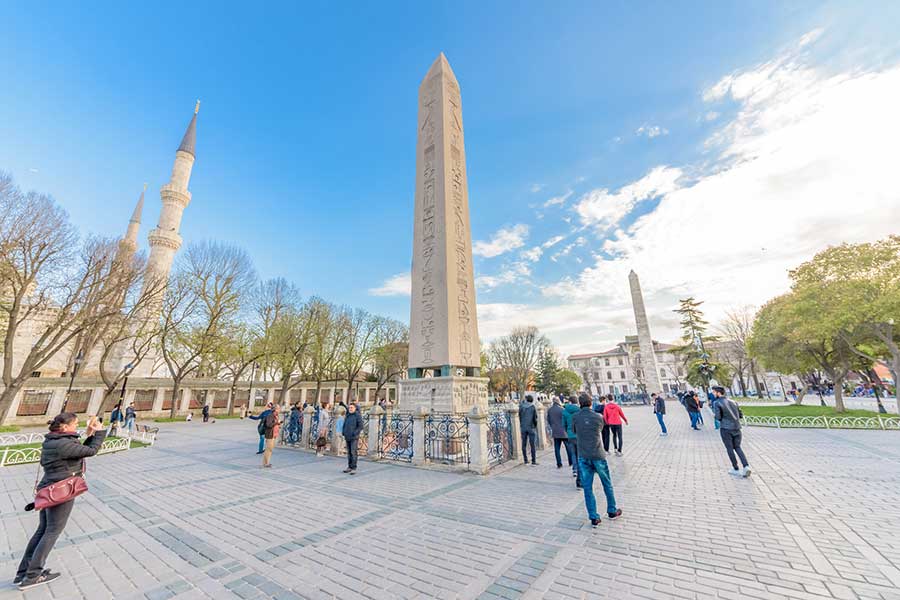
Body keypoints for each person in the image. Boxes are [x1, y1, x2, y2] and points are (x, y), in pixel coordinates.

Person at [16, 413, 106, 589]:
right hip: (60, 490)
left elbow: (78, 453)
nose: (76, 427)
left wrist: (89, 434)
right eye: (74, 424)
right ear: (64, 427)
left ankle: (24, 572)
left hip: (51, 487)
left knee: (43, 530)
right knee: (52, 531)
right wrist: (100, 432)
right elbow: (91, 451)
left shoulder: (55, 440)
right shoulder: (62, 444)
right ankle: (33, 575)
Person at [572, 394, 622, 528]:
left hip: (583, 455)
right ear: (590, 403)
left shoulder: (575, 417)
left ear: (579, 404)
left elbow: (574, 431)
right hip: (598, 454)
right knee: (607, 484)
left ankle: (594, 517)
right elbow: (600, 429)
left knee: (588, 488)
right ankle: (612, 510)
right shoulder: (598, 417)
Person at [713, 386, 751, 477]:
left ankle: (735, 468)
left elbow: (718, 417)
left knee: (729, 448)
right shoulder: (733, 402)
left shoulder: (717, 403)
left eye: (714, 392)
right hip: (737, 428)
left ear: (718, 393)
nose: (713, 394)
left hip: (726, 429)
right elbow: (740, 415)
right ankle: (746, 466)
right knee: (738, 447)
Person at [562, 396, 581, 488]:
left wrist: (568, 432)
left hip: (570, 435)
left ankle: (574, 469)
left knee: (573, 453)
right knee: (580, 454)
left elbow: (563, 424)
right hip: (579, 435)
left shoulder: (565, 411)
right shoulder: (579, 410)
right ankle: (581, 471)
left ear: (569, 402)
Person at [342, 402, 365, 474]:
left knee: (353, 452)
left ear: (355, 408)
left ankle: (354, 467)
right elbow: (345, 424)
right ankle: (349, 467)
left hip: (354, 437)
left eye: (351, 408)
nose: (350, 409)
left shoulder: (357, 415)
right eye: (349, 408)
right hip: (347, 436)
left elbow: (361, 426)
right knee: (349, 453)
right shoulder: (348, 415)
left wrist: (355, 433)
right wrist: (343, 431)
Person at [547, 396, 569, 469]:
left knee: (557, 448)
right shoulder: (562, 409)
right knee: (568, 447)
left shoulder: (550, 410)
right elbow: (566, 420)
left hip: (555, 431)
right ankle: (571, 461)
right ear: (558, 401)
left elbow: (549, 420)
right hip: (563, 431)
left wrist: (553, 426)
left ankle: (559, 463)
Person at [519, 395, 538, 465]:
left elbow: (520, 416)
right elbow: (535, 418)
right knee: (532, 444)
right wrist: (535, 425)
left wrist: (522, 424)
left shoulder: (521, 407)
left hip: (523, 427)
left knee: (524, 444)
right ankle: (533, 461)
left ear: (527, 399)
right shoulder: (532, 407)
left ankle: (525, 460)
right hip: (531, 427)